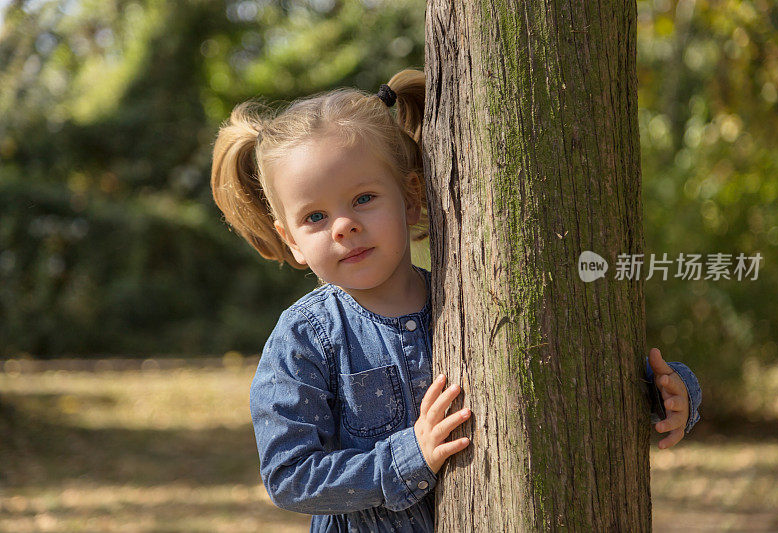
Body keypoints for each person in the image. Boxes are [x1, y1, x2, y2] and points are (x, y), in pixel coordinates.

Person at [209, 68, 702, 532]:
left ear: (412, 196)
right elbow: (291, 476)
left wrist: (666, 392)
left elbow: (565, 371)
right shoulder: (305, 338)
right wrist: (407, 457)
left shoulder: (471, 295)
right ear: (289, 239)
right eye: (314, 217)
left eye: (363, 199)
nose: (344, 226)